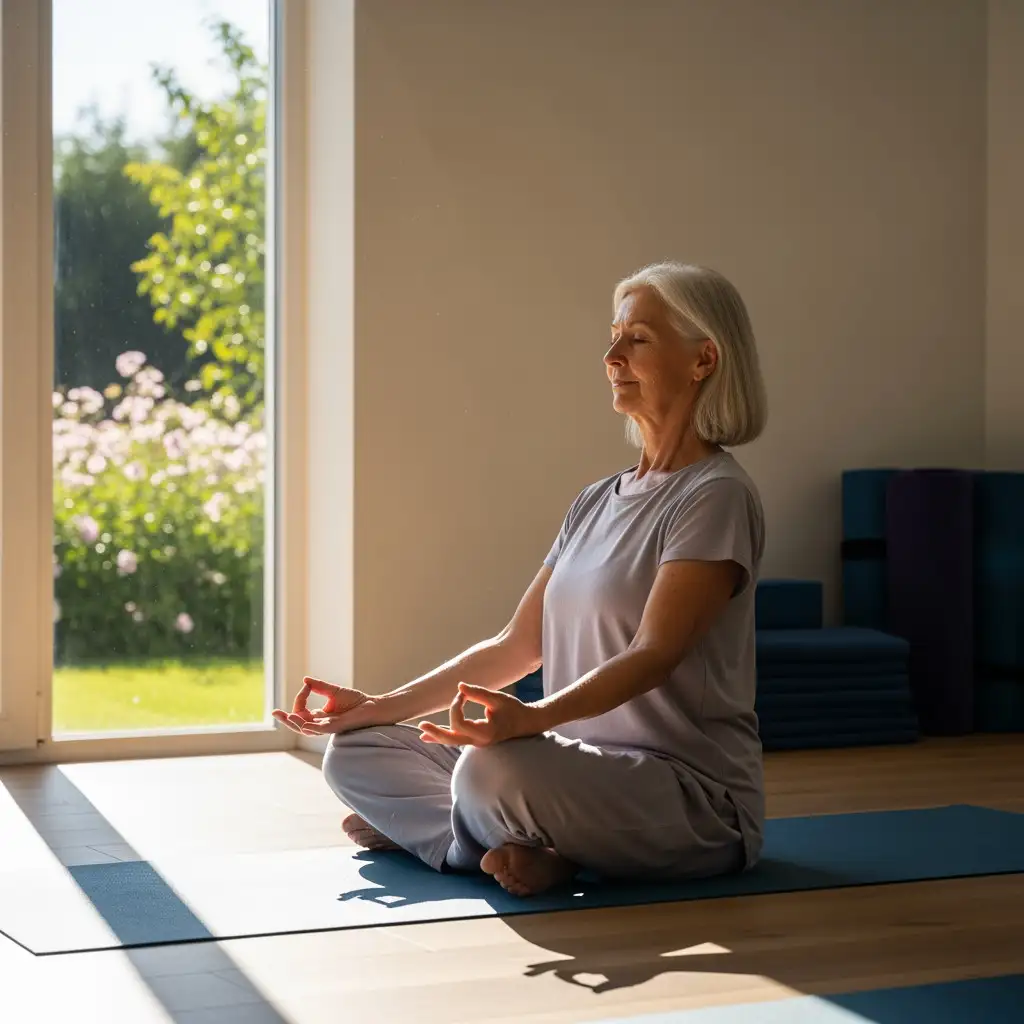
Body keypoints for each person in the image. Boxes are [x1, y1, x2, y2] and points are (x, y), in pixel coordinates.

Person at [274, 261, 768, 897]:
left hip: (686, 796)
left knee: (488, 771)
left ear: (703, 360)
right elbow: (516, 646)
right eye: (614, 335)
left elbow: (655, 655)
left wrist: (531, 720)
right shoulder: (595, 500)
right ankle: (507, 844)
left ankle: (457, 836)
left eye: (637, 338)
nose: (612, 354)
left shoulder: (715, 495)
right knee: (357, 752)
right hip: (568, 769)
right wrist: (376, 707)